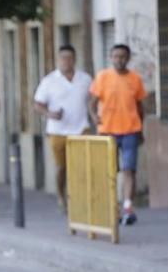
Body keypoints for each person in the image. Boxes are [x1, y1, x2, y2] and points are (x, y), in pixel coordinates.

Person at [90, 44, 147, 225]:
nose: (119, 60)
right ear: (111, 58)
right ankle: (112, 207)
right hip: (108, 131)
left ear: (128, 58)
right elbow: (91, 103)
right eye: (115, 56)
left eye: (122, 56)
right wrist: (94, 119)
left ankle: (128, 207)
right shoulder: (103, 77)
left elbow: (140, 107)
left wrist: (141, 130)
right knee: (110, 171)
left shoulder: (135, 79)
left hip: (130, 130)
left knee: (129, 169)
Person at [34, 45, 93, 212]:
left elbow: (91, 101)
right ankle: (61, 195)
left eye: (69, 58)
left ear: (74, 59)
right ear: (58, 59)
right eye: (63, 58)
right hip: (58, 130)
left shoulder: (85, 79)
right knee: (62, 167)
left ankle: (80, 197)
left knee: (82, 165)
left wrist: (95, 117)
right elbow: (37, 105)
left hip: (81, 128)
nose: (66, 61)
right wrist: (50, 114)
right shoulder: (49, 81)